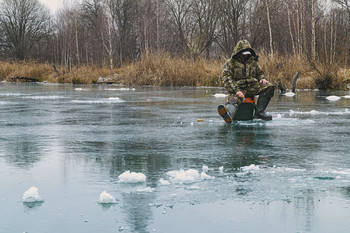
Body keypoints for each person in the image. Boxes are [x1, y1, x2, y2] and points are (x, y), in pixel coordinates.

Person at [218, 39, 275, 123]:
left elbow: (260, 73)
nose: (246, 56)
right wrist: (237, 91)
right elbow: (227, 78)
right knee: (234, 100)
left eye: (247, 54)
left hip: (252, 86)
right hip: (238, 88)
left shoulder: (253, 62)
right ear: (238, 53)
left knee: (269, 87)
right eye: (244, 54)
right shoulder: (230, 63)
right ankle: (228, 114)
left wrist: (263, 78)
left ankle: (259, 112)